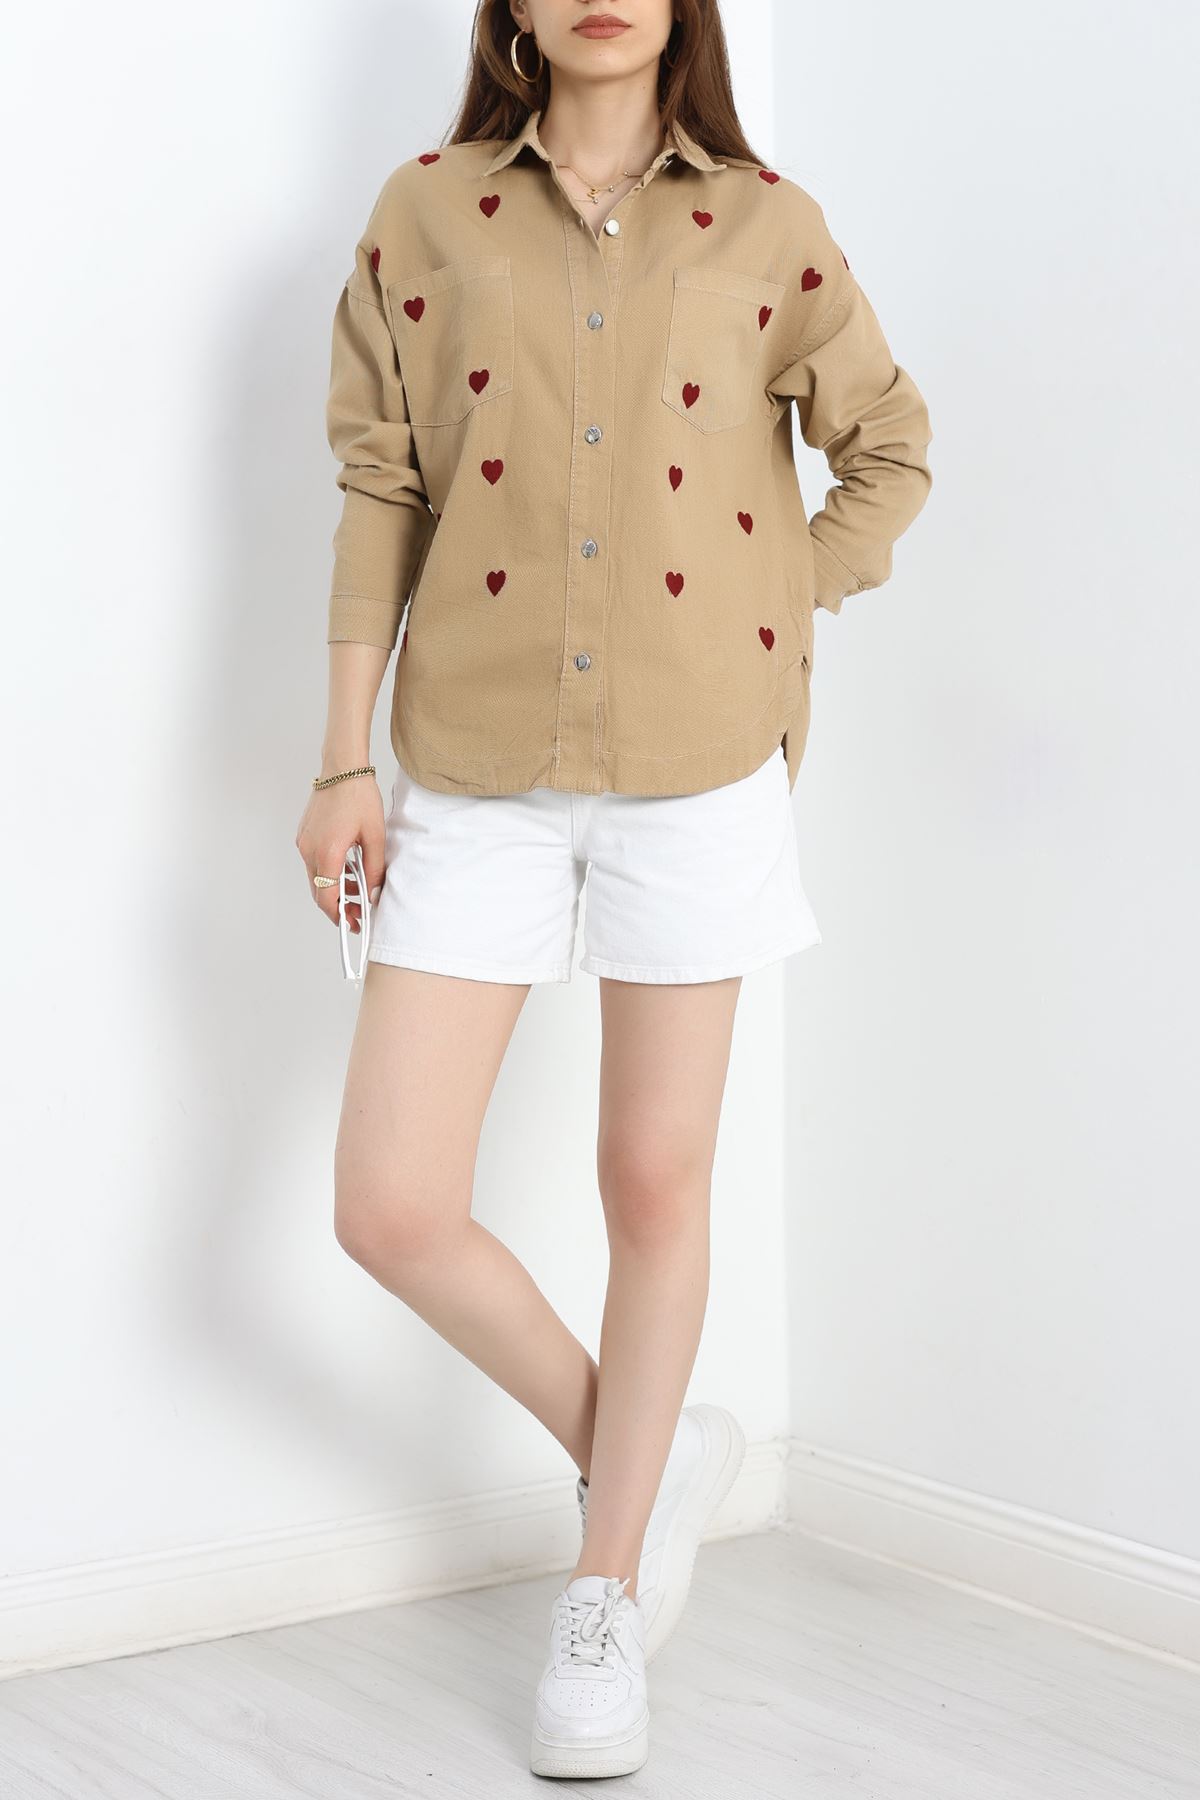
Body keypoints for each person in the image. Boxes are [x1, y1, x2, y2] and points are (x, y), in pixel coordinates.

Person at [294, 0, 932, 1778]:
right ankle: (645, 1463)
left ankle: (601, 1592)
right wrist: (341, 762)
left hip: (697, 766)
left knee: (653, 1178)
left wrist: (771, 600)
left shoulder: (766, 225)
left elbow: (889, 447)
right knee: (390, 1203)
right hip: (471, 764)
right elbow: (381, 486)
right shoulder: (424, 212)